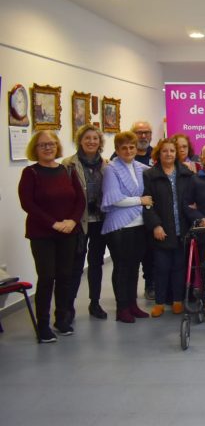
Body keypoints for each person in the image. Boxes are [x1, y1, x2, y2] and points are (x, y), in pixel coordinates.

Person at [18, 130, 85, 342]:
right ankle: (43, 324)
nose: (48, 148)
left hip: (68, 231)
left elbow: (80, 200)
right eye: (43, 145)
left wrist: (72, 221)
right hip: (42, 234)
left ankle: (62, 319)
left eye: (52, 144)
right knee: (47, 278)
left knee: (65, 276)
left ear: (57, 147)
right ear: (35, 149)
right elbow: (28, 204)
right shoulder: (31, 173)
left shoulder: (68, 170)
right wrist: (53, 223)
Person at [101, 131, 153, 323]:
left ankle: (133, 304)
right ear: (117, 150)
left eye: (132, 147)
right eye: (124, 148)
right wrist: (140, 200)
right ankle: (122, 308)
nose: (129, 150)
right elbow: (114, 198)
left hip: (139, 225)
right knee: (122, 268)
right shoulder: (111, 169)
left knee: (134, 268)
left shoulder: (140, 167)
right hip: (120, 227)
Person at [142, 139, 194, 317]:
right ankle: (160, 302)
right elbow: (147, 204)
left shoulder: (186, 173)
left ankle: (178, 301)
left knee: (179, 268)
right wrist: (155, 225)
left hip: (182, 229)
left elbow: (192, 200)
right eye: (165, 151)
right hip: (161, 230)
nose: (169, 154)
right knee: (161, 268)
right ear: (159, 153)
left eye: (172, 151)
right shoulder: (150, 175)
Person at [62, 124, 109, 320]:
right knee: (76, 264)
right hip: (79, 222)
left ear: (100, 142)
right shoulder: (68, 164)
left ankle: (95, 303)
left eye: (95, 138)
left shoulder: (107, 164)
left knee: (96, 263)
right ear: (80, 141)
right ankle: (68, 307)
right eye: (87, 138)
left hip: (100, 220)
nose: (91, 141)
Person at [110, 120, 155, 298]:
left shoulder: (155, 155)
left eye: (146, 132)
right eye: (139, 132)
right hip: (124, 222)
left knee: (147, 256)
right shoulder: (115, 162)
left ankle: (147, 288)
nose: (143, 136)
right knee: (125, 265)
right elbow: (114, 196)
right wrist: (141, 200)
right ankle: (124, 302)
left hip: (145, 218)